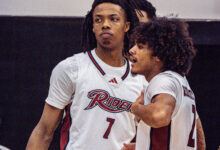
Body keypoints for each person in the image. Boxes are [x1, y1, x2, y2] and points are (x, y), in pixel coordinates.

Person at [26, 0, 147, 150]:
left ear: (126, 26)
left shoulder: (141, 77)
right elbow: (44, 131)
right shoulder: (71, 68)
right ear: (93, 28)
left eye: (113, 19)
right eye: (98, 20)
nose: (105, 24)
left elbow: (147, 135)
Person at [127, 17, 206, 149]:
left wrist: (136, 108)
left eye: (140, 47)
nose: (131, 50)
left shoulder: (162, 80)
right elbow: (199, 142)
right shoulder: (182, 83)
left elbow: (159, 116)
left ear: (158, 54)